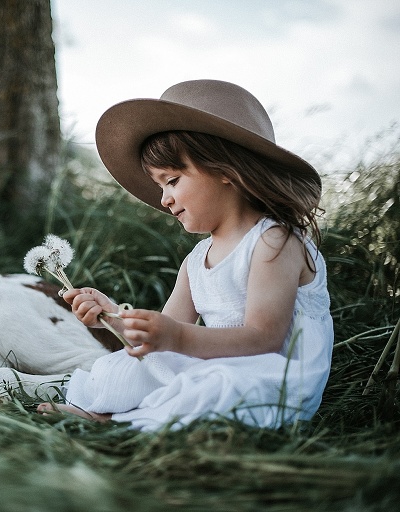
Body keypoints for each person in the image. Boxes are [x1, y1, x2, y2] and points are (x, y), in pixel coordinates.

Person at [37, 80, 334, 430]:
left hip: (271, 377)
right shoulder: (197, 260)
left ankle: (120, 419)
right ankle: (119, 414)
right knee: (121, 369)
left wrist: (177, 338)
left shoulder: (273, 241)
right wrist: (114, 315)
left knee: (214, 388)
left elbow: (263, 339)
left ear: (226, 170)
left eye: (172, 180)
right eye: (160, 185)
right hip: (218, 363)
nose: (164, 198)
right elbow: (161, 338)